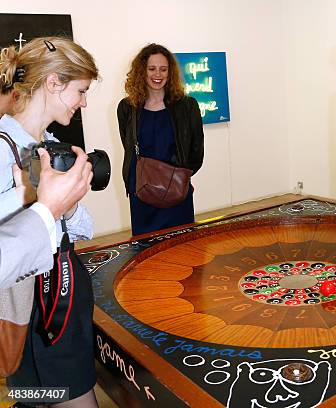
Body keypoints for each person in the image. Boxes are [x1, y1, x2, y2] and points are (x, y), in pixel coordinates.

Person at [0, 36, 99, 407]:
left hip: (61, 295)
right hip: (37, 309)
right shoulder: (2, 145)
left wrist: (67, 203)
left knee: (34, 399)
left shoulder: (50, 142)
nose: (84, 102)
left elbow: (81, 227)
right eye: (81, 90)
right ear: (53, 83)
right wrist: (31, 198)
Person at [117, 43, 204, 236]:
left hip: (176, 193)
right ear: (142, 71)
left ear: (170, 72)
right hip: (142, 193)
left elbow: (196, 153)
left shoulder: (187, 106)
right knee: (145, 251)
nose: (158, 74)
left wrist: (176, 178)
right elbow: (129, 147)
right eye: (152, 69)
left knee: (182, 246)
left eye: (163, 69)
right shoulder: (127, 107)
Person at [0, 147, 92, 289]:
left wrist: (67, 202)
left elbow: (84, 232)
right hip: (17, 296)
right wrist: (26, 198)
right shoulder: (5, 151)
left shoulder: (53, 145)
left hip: (49, 290)